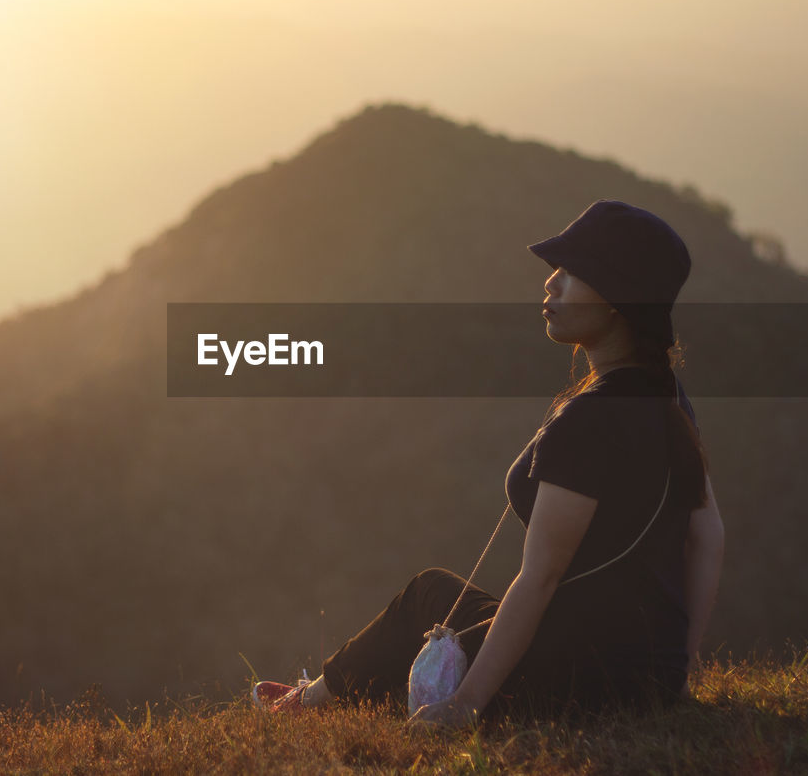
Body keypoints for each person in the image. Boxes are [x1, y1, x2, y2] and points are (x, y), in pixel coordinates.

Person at [251, 199, 725, 728]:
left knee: (417, 631)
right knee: (431, 593)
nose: (551, 285)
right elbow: (707, 538)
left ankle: (300, 707)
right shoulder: (668, 398)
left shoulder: (591, 420)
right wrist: (676, 672)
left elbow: (540, 578)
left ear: (618, 300)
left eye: (572, 274)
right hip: (644, 673)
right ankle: (317, 693)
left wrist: (466, 705)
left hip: (578, 674)